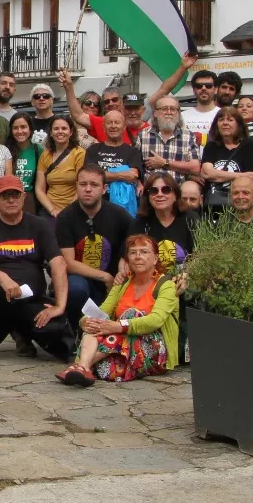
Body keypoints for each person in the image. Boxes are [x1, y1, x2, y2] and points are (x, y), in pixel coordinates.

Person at [0, 174, 72, 358]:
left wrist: (59, 306)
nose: (11, 200)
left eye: (15, 195)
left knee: (57, 335)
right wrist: (2, 278)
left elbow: (58, 262)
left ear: (23, 197)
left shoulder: (39, 225)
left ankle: (23, 332)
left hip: (30, 300)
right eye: (5, 195)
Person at [57, 234, 180, 386]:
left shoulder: (166, 285)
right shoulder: (122, 282)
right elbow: (102, 311)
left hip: (154, 349)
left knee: (131, 314)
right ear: (127, 259)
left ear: (155, 259)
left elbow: (155, 320)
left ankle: (79, 366)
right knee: (97, 327)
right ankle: (84, 368)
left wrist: (119, 326)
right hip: (120, 346)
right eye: (133, 252)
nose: (138, 256)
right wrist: (85, 322)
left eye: (144, 252)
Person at [57, 165, 135, 318]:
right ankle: (75, 331)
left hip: (115, 279)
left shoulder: (120, 215)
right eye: (83, 184)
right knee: (75, 288)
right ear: (76, 186)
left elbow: (135, 244)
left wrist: (123, 264)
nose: (88, 189)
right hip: (80, 278)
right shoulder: (65, 218)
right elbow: (68, 262)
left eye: (94, 185)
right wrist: (104, 276)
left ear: (104, 188)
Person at [199, 106, 253, 211]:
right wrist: (241, 176)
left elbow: (252, 179)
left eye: (230, 120)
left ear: (239, 125)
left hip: (241, 208)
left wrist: (216, 175)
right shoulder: (211, 146)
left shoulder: (249, 146)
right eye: (221, 119)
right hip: (213, 206)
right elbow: (207, 173)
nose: (225, 123)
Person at [84, 107, 142, 216]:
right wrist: (122, 174)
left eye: (117, 122)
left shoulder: (133, 151)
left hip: (124, 210)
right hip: (96, 208)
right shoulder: (93, 149)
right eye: (109, 122)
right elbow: (90, 177)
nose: (113, 126)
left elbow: (133, 175)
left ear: (124, 127)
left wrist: (102, 174)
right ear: (103, 127)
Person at [134, 96, 202, 181]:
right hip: (151, 191)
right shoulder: (142, 136)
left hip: (179, 190)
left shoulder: (188, 136)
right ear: (155, 113)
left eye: (173, 109)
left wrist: (164, 163)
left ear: (178, 113)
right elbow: (133, 167)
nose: (169, 112)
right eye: (164, 109)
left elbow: (195, 168)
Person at [136, 172, 192, 272]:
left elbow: (202, 256)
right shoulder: (140, 222)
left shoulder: (191, 220)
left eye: (166, 190)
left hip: (185, 280)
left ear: (176, 195)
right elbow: (126, 257)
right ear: (148, 197)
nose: (160, 194)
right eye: (154, 191)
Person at [34, 116, 85, 217]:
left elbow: (82, 185)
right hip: (49, 209)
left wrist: (67, 212)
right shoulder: (45, 155)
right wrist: (52, 210)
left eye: (64, 128)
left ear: (71, 132)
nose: (60, 131)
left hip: (74, 209)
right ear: (51, 133)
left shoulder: (79, 153)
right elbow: (39, 189)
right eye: (56, 129)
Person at [5, 112, 43, 215]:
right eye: (15, 128)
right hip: (9, 197)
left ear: (30, 129)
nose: (19, 131)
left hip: (29, 197)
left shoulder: (37, 149)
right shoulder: (5, 149)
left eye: (23, 127)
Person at [178, 68, 219, 145]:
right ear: (194, 90)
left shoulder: (224, 115)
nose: (203, 88)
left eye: (208, 86)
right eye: (199, 86)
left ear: (216, 89)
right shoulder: (182, 116)